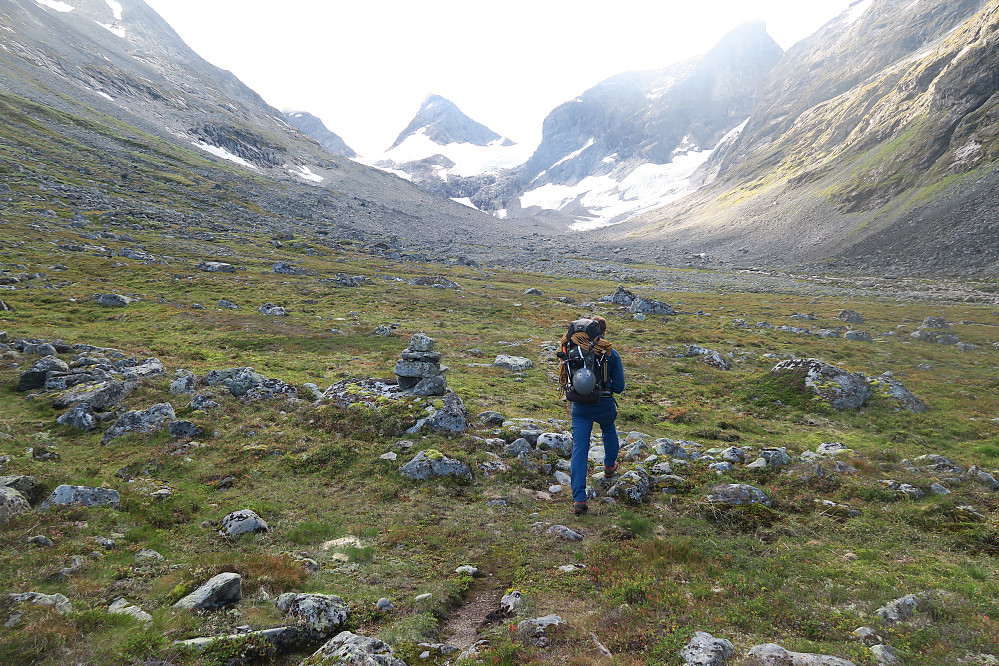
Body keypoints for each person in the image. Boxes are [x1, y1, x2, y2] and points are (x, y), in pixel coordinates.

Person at [566, 315, 625, 516]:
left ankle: (579, 499)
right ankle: (609, 466)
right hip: (604, 404)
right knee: (608, 429)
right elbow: (619, 387)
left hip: (580, 407)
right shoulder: (610, 353)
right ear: (603, 332)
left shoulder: (575, 350)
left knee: (580, 449)